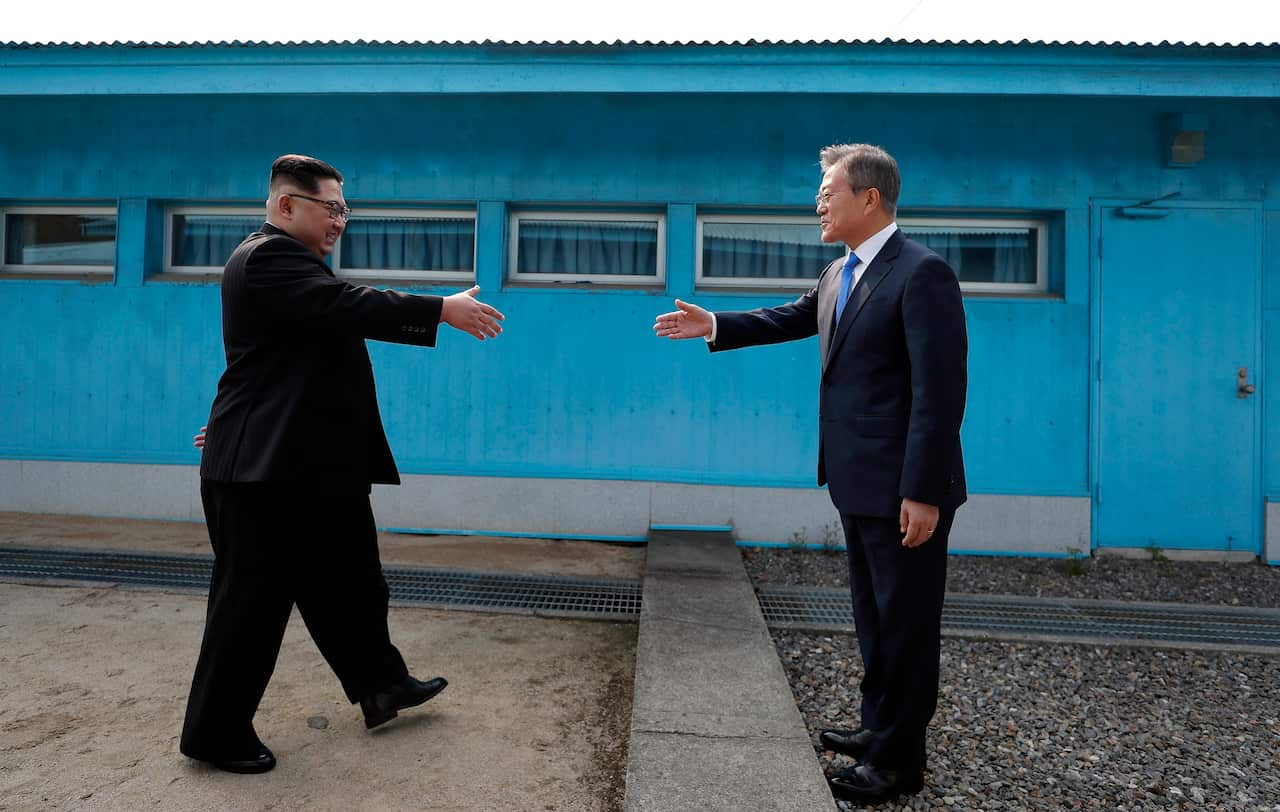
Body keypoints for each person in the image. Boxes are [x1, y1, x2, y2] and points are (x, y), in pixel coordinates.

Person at [653, 143, 967, 804]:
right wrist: (714, 322)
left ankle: (898, 763)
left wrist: (922, 490)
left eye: (829, 191)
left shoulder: (923, 273)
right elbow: (790, 318)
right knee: (874, 618)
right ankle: (878, 727)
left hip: (905, 487)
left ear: (870, 198)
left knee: (907, 625)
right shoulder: (838, 274)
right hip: (856, 478)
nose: (818, 203)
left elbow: (940, 393)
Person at [181, 154, 505, 775]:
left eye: (345, 211)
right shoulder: (268, 256)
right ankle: (215, 733)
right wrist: (439, 308)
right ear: (285, 206)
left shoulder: (295, 269)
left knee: (353, 584)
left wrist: (237, 424)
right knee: (249, 606)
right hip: (265, 478)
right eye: (330, 208)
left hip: (303, 463)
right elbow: (347, 305)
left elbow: (281, 364)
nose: (340, 222)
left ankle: (382, 686)